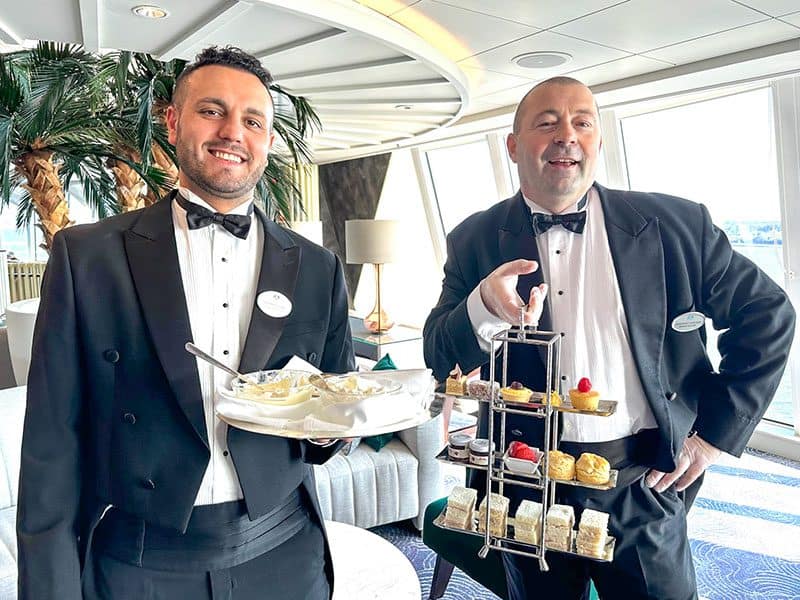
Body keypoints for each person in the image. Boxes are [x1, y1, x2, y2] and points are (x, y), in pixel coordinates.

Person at [423, 76, 795, 600]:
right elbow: (439, 355)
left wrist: (712, 436)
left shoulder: (676, 224)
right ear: (512, 146)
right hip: (525, 481)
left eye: (582, 122)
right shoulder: (474, 239)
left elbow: (768, 313)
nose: (566, 136)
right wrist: (483, 305)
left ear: (598, 140)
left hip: (643, 480)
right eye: (546, 122)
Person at [16, 46, 354, 600]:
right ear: (173, 122)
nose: (232, 132)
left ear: (268, 140)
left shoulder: (318, 267)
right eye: (211, 111)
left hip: (284, 553)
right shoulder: (88, 258)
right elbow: (51, 446)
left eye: (253, 120)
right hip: (140, 562)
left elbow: (330, 411)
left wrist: (331, 430)